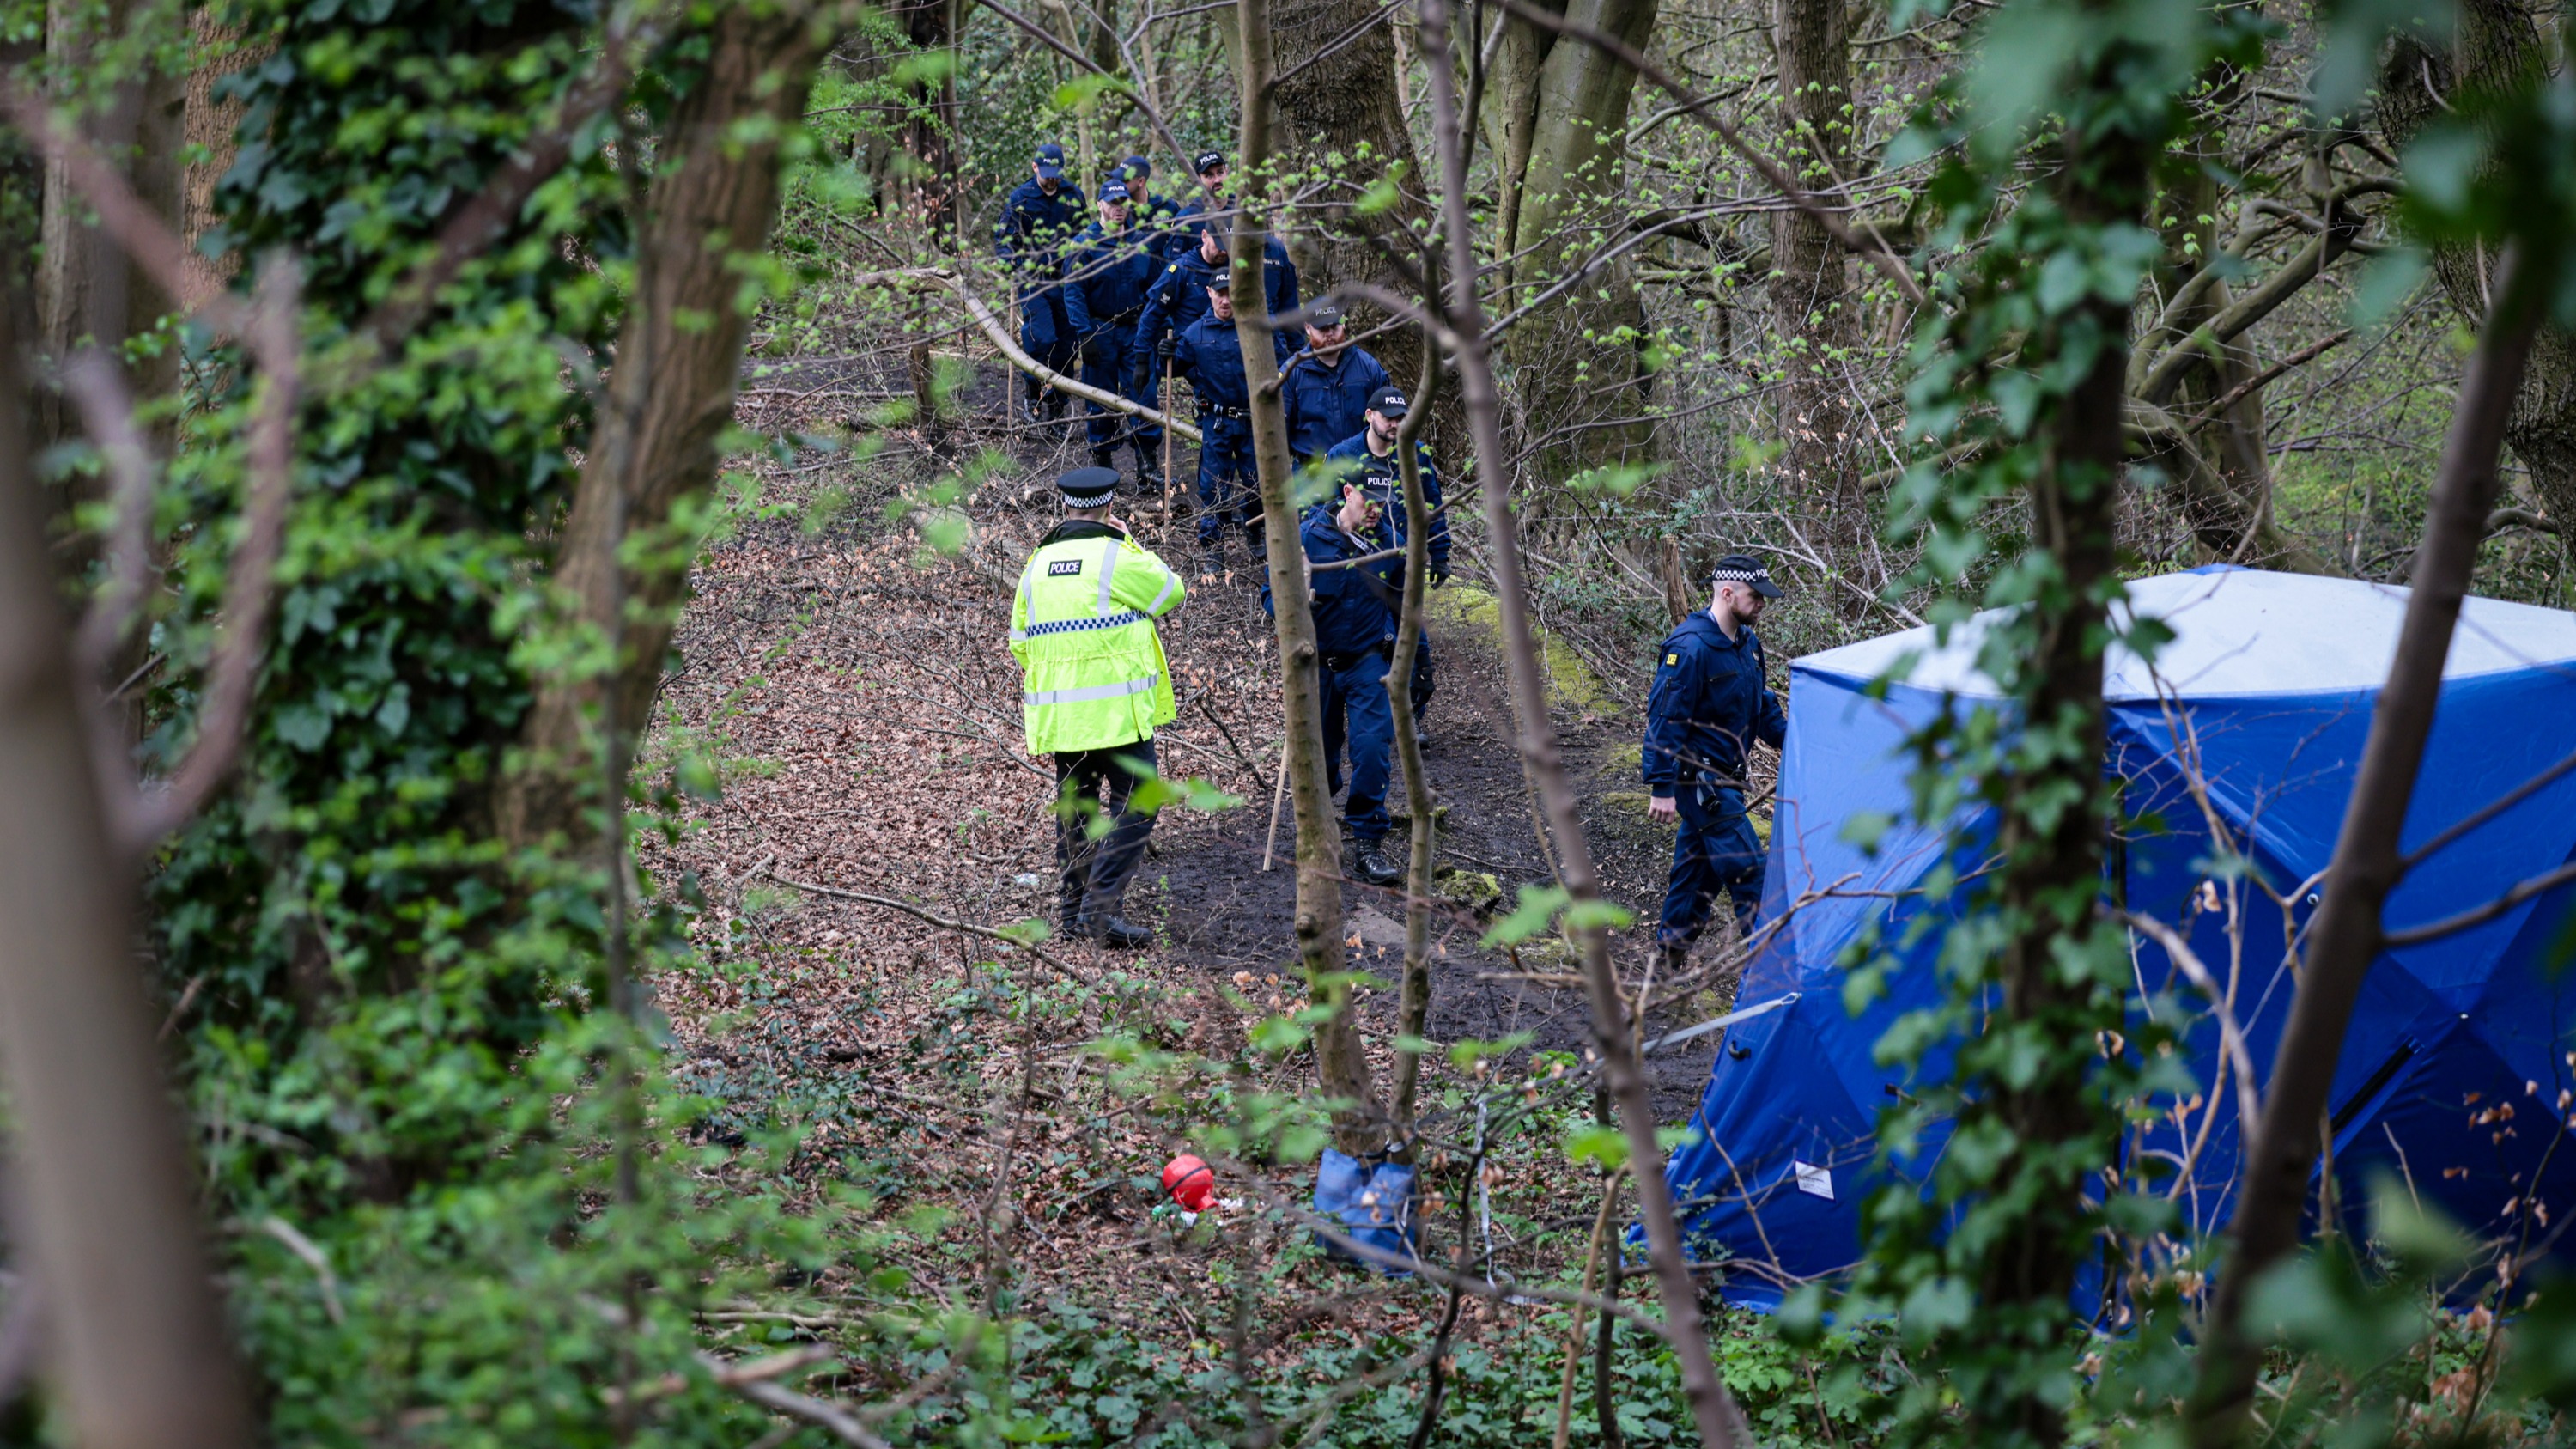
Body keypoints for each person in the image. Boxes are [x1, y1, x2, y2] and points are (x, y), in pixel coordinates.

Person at [1010, 466, 1189, 947]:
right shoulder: (1116, 556)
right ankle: (1098, 911)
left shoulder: (1036, 566)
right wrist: (1130, 542)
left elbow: (1019, 644)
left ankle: (1072, 917)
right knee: (1140, 799)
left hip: (1064, 718)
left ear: (1065, 508)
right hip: (1117, 715)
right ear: (1110, 509)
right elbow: (1172, 591)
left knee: (1077, 810)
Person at [1643, 554, 1788, 971]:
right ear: (1728, 593)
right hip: (1700, 784)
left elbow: (1761, 705)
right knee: (1749, 874)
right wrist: (1661, 786)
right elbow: (1665, 717)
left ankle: (1666, 964)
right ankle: (1776, 973)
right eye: (1755, 597)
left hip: (1727, 780)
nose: (1762, 604)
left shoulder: (1747, 645)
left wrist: (1795, 741)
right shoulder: (1689, 647)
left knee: (1696, 874)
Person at [1263, 473, 1406, 887]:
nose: (1375, 510)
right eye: (1369, 501)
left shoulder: (1390, 544)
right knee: (1318, 759)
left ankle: (1367, 844)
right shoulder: (1307, 537)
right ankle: (1318, 831)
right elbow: (1270, 594)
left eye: (1384, 502)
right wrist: (1294, 595)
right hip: (1316, 665)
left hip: (1367, 663)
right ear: (1347, 493)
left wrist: (1411, 666)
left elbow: (1403, 605)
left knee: (1372, 750)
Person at [1321, 386, 1449, 743]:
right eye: (1388, 417)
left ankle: (1410, 719)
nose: (1395, 423)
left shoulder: (1415, 454)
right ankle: (1350, 722)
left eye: (1401, 417)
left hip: (1403, 564)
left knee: (1412, 641)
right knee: (1363, 643)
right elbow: (1324, 510)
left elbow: (1433, 506)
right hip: (1356, 566)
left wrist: (1440, 554)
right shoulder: (1344, 455)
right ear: (1369, 416)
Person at [1169, 282, 1291, 568]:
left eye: (1231, 294)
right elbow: (1174, 367)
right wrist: (1165, 355)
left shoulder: (1257, 327)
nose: (1226, 301)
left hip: (1255, 421)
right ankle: (1213, 546)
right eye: (1220, 294)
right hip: (1217, 422)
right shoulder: (1195, 333)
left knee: (1255, 482)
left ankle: (1256, 532)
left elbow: (1284, 365)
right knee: (1212, 485)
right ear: (1209, 292)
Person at [1072, 179, 1166, 487]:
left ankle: (1147, 464)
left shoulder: (1141, 242)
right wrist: (1085, 334)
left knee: (1144, 393)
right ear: (1099, 205)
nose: (1118, 209)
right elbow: (1073, 292)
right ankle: (1102, 464)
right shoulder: (1085, 245)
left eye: (1123, 203)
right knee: (1099, 396)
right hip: (1100, 329)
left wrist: (1158, 328)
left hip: (1136, 330)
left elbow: (1155, 287)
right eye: (1112, 204)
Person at [993, 141, 1091, 426]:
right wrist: (1012, 267)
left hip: (1066, 281)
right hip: (1033, 281)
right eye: (1046, 171)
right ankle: (1032, 389)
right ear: (1034, 167)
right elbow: (1004, 240)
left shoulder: (1073, 196)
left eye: (1056, 172)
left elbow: (1084, 235)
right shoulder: (1021, 198)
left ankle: (1058, 410)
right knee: (1041, 338)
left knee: (1066, 346)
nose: (1051, 177)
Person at [1280, 302, 1393, 466]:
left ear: (1344, 323)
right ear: (1308, 328)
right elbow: (1279, 433)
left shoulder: (1369, 368)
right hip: (1310, 473)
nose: (1329, 334)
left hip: (1360, 468)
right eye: (1322, 329)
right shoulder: (1291, 373)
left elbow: (1387, 422)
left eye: (1334, 327)